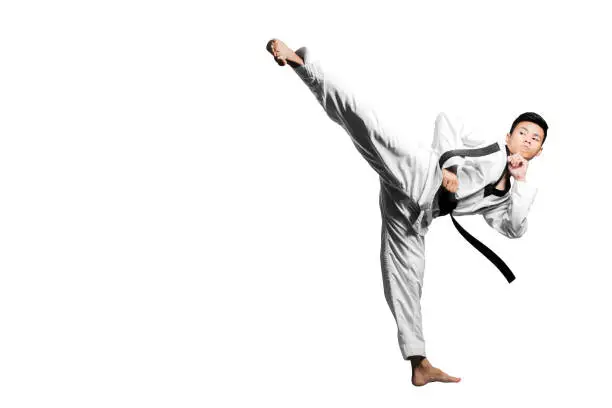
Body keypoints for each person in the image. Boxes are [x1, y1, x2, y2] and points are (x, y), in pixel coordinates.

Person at [266, 38, 547, 386]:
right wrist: (451, 168)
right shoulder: (490, 147)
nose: (527, 140)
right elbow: (448, 120)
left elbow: (514, 229)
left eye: (535, 139)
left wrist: (520, 183)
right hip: (421, 172)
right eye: (522, 132)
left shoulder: (507, 195)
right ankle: (303, 65)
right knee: (366, 122)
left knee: (406, 277)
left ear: (539, 152)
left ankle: (419, 363)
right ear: (509, 135)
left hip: (417, 214)